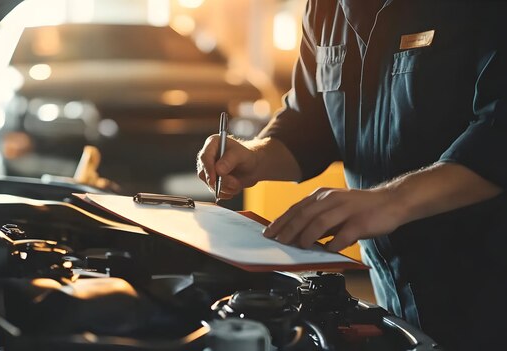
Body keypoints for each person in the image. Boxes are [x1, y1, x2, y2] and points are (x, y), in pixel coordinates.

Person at [196, 1, 507, 350]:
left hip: (488, 283)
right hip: (393, 288)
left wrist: (390, 199)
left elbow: (497, 132)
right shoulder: (325, 8)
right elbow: (309, 123)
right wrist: (255, 155)